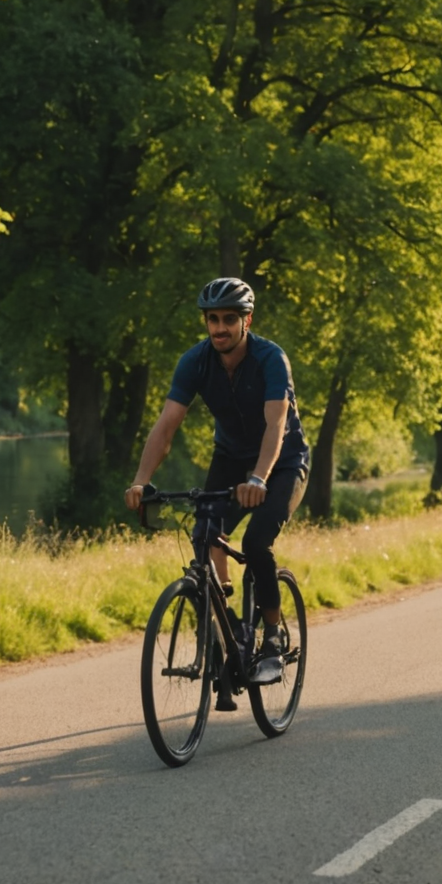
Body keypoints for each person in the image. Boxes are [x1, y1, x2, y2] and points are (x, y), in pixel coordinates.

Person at [125, 277, 309, 684]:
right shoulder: (195, 361)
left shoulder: (270, 359)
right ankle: (231, 627)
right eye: (213, 319)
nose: (220, 327)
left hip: (281, 461)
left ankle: (274, 638)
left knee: (257, 542)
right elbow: (167, 425)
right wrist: (141, 481)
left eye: (229, 318)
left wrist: (259, 478)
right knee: (205, 533)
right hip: (230, 457)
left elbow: (276, 424)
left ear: (247, 319)